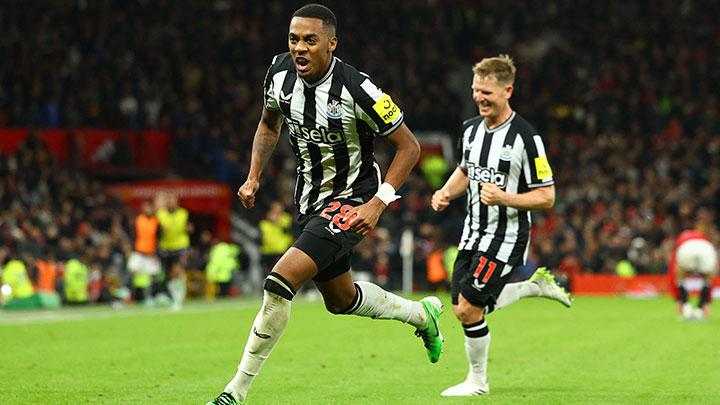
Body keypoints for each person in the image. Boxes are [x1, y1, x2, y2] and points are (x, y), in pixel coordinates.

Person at [207, 4, 442, 404]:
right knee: (341, 300)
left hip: (349, 202)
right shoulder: (278, 73)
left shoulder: (359, 89)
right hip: (308, 203)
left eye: (310, 40)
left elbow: (409, 147)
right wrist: (253, 175)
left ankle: (236, 391)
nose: (300, 48)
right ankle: (421, 316)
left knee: (278, 283)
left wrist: (377, 203)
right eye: (294, 39)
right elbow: (268, 123)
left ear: (332, 44)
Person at [430, 55, 572, 397]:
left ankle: (477, 382)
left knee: (469, 307)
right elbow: (466, 169)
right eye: (476, 90)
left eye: (487, 92)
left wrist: (505, 197)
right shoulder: (469, 130)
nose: (479, 97)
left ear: (508, 90)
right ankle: (531, 288)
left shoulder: (527, 138)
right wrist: (446, 192)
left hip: (506, 236)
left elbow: (547, 196)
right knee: (462, 308)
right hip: (472, 233)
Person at [668, 207, 718, 320]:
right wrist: (708, 301)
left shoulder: (683, 236)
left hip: (686, 249)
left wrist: (677, 298)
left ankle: (685, 305)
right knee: (707, 278)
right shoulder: (706, 239)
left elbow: (672, 271)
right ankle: (701, 307)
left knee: (680, 277)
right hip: (705, 250)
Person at [155, 192, 190, 310]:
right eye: (168, 201)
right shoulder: (161, 214)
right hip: (166, 247)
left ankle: (178, 297)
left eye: (173, 200)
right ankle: (175, 296)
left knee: (176, 271)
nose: (171, 203)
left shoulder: (183, 213)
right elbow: (164, 228)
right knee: (169, 275)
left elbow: (179, 227)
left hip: (180, 246)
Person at [127, 201, 160, 305]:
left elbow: (158, 237)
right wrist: (130, 250)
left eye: (148, 208)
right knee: (132, 272)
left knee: (153, 275)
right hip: (138, 252)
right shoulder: (138, 220)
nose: (147, 210)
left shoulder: (156, 221)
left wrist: (157, 252)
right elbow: (133, 235)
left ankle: (151, 297)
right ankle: (129, 296)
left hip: (151, 253)